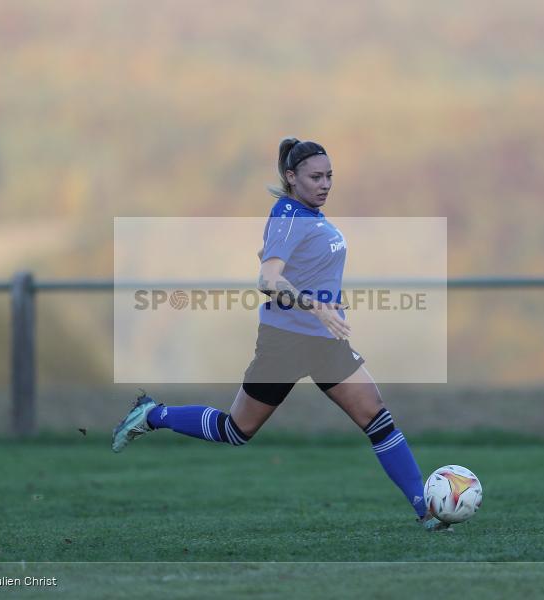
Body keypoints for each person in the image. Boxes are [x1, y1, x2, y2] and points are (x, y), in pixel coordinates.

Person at [112, 137, 447, 531]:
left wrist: (326, 308)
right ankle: (154, 414)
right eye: (315, 177)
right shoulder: (289, 215)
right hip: (285, 343)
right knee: (236, 431)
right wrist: (316, 306)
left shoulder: (311, 214)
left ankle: (426, 510)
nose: (325, 184)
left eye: (329, 177)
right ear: (291, 177)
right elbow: (268, 279)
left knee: (377, 419)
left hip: (325, 343)